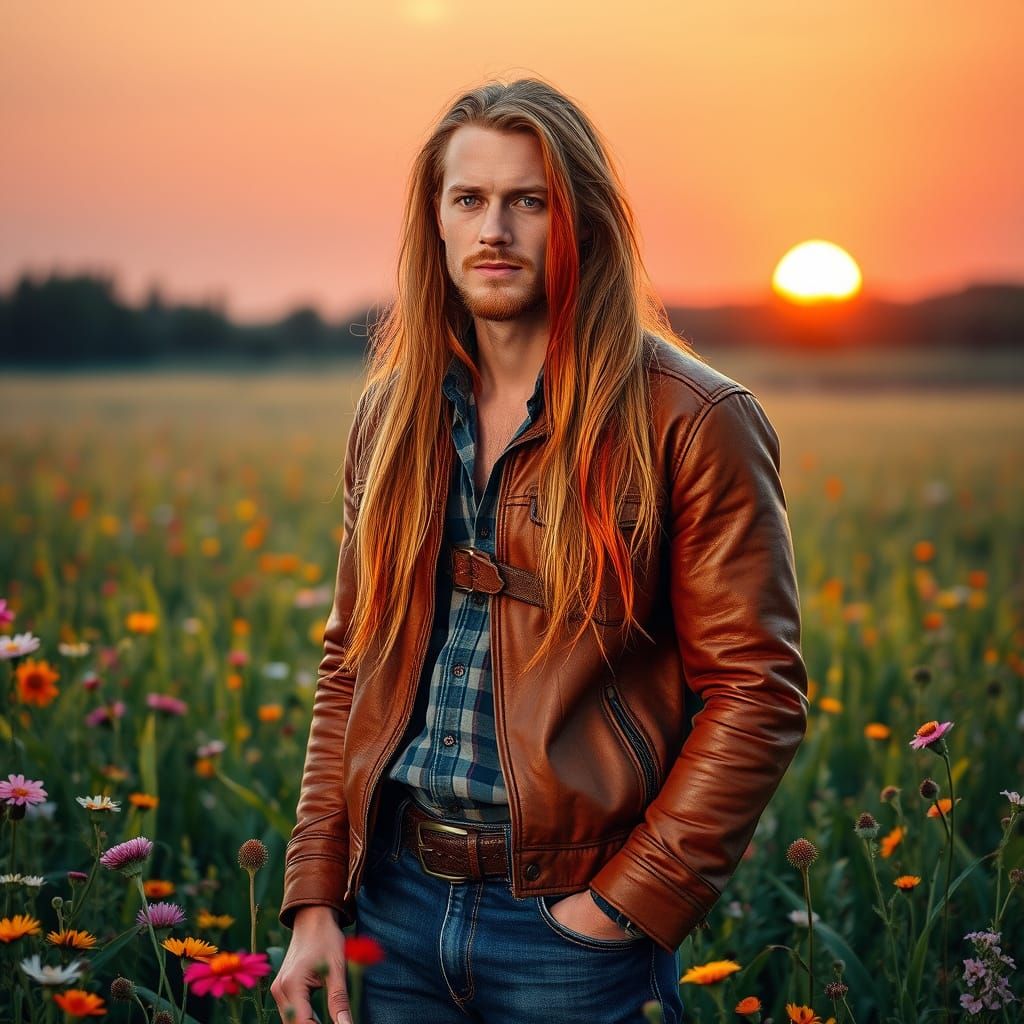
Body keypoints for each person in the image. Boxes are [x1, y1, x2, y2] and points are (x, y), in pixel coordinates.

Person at [270, 77, 808, 1024]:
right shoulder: (392, 416)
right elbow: (351, 660)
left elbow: (755, 692)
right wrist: (316, 894)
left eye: (530, 201)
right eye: (469, 199)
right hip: (390, 909)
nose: (495, 231)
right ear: (435, 222)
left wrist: (620, 908)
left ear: (583, 221)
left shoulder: (693, 419)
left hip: (571, 933)